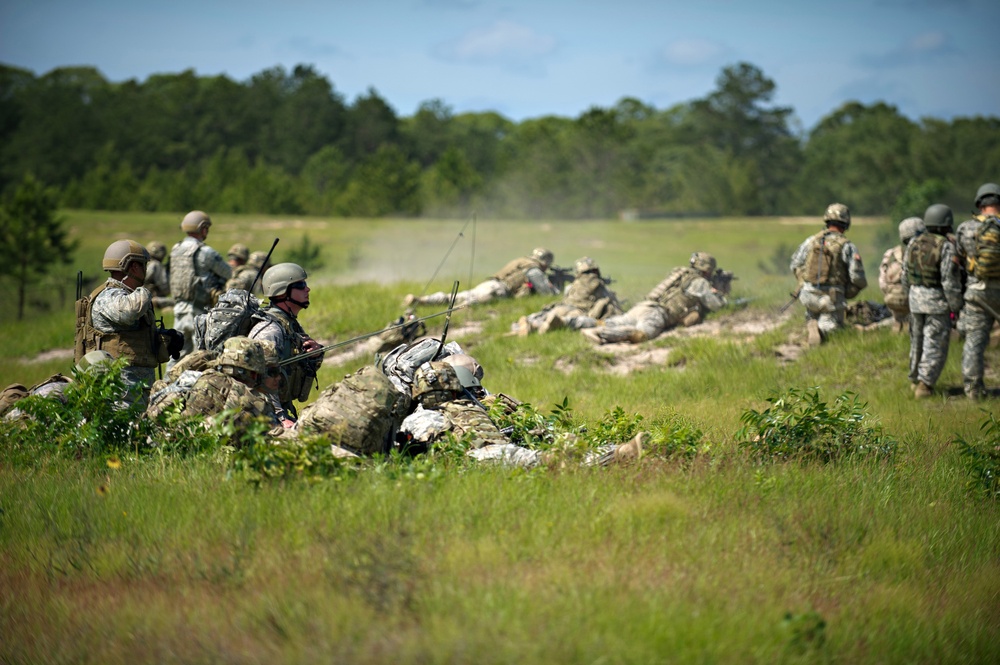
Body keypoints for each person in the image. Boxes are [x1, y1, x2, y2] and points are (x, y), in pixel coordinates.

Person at [76, 240, 183, 407]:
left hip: (136, 386)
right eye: (143, 265)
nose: (146, 270)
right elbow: (128, 313)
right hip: (120, 389)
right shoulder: (108, 295)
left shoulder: (127, 295)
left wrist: (164, 340)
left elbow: (130, 336)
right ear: (133, 267)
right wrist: (144, 291)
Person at [582, 252, 726, 344]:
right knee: (641, 334)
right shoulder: (699, 282)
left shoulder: (680, 274)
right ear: (708, 270)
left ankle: (571, 322)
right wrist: (720, 292)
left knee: (609, 322)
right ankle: (599, 333)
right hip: (656, 313)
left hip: (642, 306)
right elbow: (717, 306)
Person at [248, 262, 324, 423]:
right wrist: (281, 418)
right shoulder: (270, 331)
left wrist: (316, 353)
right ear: (282, 292)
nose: (307, 289)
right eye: (301, 285)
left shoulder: (288, 324)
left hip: (282, 408)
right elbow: (261, 381)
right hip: (263, 416)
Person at [902, 204, 962, 398]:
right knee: (934, 343)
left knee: (916, 341)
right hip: (936, 301)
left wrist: (910, 296)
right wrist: (956, 306)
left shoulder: (913, 243)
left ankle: (914, 379)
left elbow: (905, 275)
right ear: (946, 224)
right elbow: (949, 281)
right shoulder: (946, 246)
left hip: (915, 299)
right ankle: (925, 385)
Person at [789, 203, 868, 346]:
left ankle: (811, 322)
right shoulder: (847, 246)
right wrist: (850, 291)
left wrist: (803, 282)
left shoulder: (811, 241)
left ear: (827, 220)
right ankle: (821, 330)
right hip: (830, 298)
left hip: (807, 295)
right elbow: (857, 277)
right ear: (846, 223)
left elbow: (795, 263)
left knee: (813, 312)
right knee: (833, 329)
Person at [956, 182, 1000, 400]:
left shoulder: (966, 229)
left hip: (977, 292)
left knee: (974, 342)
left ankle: (973, 391)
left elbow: (959, 262)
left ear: (980, 205)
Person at [168, 210, 231, 362]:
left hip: (179, 308)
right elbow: (227, 272)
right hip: (199, 310)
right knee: (202, 356)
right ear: (203, 229)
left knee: (176, 355)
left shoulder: (176, 249)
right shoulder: (205, 251)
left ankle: (167, 384)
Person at [404, 247, 559, 307]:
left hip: (490, 284)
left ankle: (424, 301)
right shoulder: (533, 269)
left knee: (457, 296)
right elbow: (546, 292)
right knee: (468, 304)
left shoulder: (521, 261)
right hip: (498, 291)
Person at [513, 256, 623, 335]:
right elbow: (611, 304)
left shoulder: (573, 285)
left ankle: (527, 324)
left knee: (546, 315)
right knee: (564, 321)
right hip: (580, 311)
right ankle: (540, 327)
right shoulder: (600, 285)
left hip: (563, 306)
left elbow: (566, 296)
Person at [879, 217, 926, 333]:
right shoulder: (925, 252)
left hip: (892, 301)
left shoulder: (890, 254)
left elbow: (882, 283)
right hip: (916, 303)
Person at [143, 241, 173, 309]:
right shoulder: (156, 265)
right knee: (178, 302)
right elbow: (166, 288)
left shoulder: (145, 264)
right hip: (153, 298)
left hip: (141, 297)